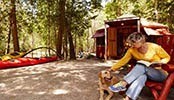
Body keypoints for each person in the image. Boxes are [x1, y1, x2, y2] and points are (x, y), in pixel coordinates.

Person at [107, 32, 170, 100]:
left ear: (141, 41)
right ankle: (127, 98)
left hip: (160, 73)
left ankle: (123, 83)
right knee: (141, 77)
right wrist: (112, 69)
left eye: (133, 43)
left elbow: (167, 57)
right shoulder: (131, 50)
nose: (131, 44)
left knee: (141, 66)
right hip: (145, 73)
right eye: (131, 43)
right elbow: (123, 60)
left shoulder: (154, 47)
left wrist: (161, 62)